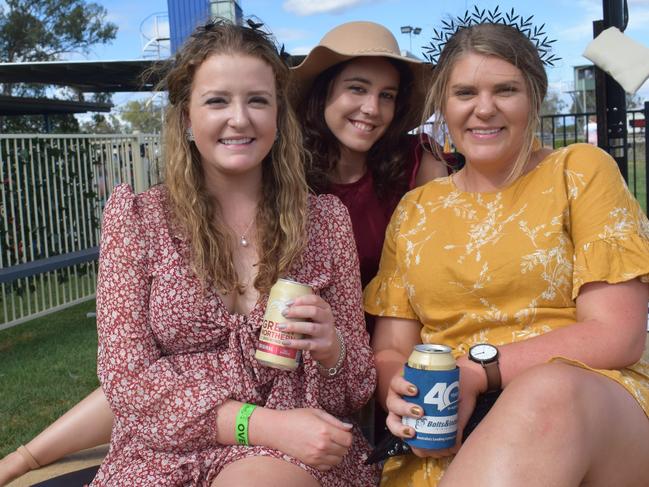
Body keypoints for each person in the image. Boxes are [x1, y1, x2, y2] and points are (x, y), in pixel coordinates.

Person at [0, 21, 445, 485]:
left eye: (257, 100)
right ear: (188, 118)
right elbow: (126, 382)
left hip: (290, 450)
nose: (240, 118)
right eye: (217, 100)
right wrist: (257, 422)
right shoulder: (138, 219)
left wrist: (332, 348)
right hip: (165, 448)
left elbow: (353, 389)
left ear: (278, 115)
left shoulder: (326, 221)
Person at [365, 21, 649, 486]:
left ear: (534, 97)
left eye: (505, 90)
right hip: (449, 424)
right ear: (443, 104)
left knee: (547, 392)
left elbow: (617, 334)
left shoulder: (578, 171)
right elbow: (392, 348)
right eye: (464, 93)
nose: (484, 109)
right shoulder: (415, 210)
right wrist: (400, 393)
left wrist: (479, 371)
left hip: (591, 403)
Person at [293, 21, 447, 293]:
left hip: (403, 327)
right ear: (323, 92)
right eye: (357, 88)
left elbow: (438, 264)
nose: (372, 108)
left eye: (387, 95)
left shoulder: (418, 161)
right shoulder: (285, 171)